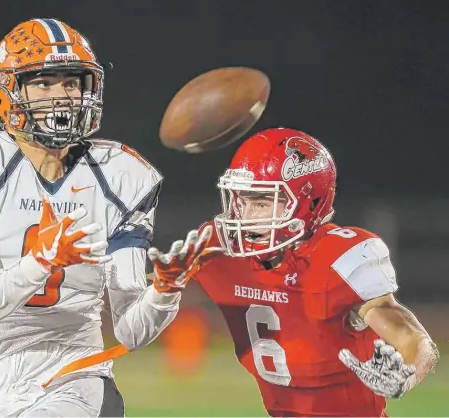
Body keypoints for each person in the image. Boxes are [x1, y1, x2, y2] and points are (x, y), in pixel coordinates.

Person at [0, 18, 211, 417]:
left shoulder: (123, 174)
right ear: (8, 89)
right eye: (44, 83)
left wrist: (164, 291)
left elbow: (130, 330)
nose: (62, 96)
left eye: (72, 83)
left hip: (78, 380)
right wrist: (40, 263)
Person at [147, 127, 439, 417]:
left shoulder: (337, 257)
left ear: (308, 203)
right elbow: (133, 313)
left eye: (261, 203)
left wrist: (408, 370)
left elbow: (407, 331)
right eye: (240, 201)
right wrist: (161, 289)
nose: (245, 217)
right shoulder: (217, 249)